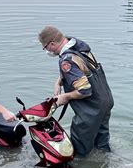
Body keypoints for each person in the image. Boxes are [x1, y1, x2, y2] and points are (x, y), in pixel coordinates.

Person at [38, 26, 114, 156]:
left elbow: (84, 90)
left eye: (45, 47)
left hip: (91, 109)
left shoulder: (66, 60)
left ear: (52, 44)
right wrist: (59, 81)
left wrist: (65, 97)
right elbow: (82, 70)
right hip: (105, 101)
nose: (46, 50)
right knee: (101, 145)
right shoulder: (79, 47)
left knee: (79, 150)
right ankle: (106, 165)